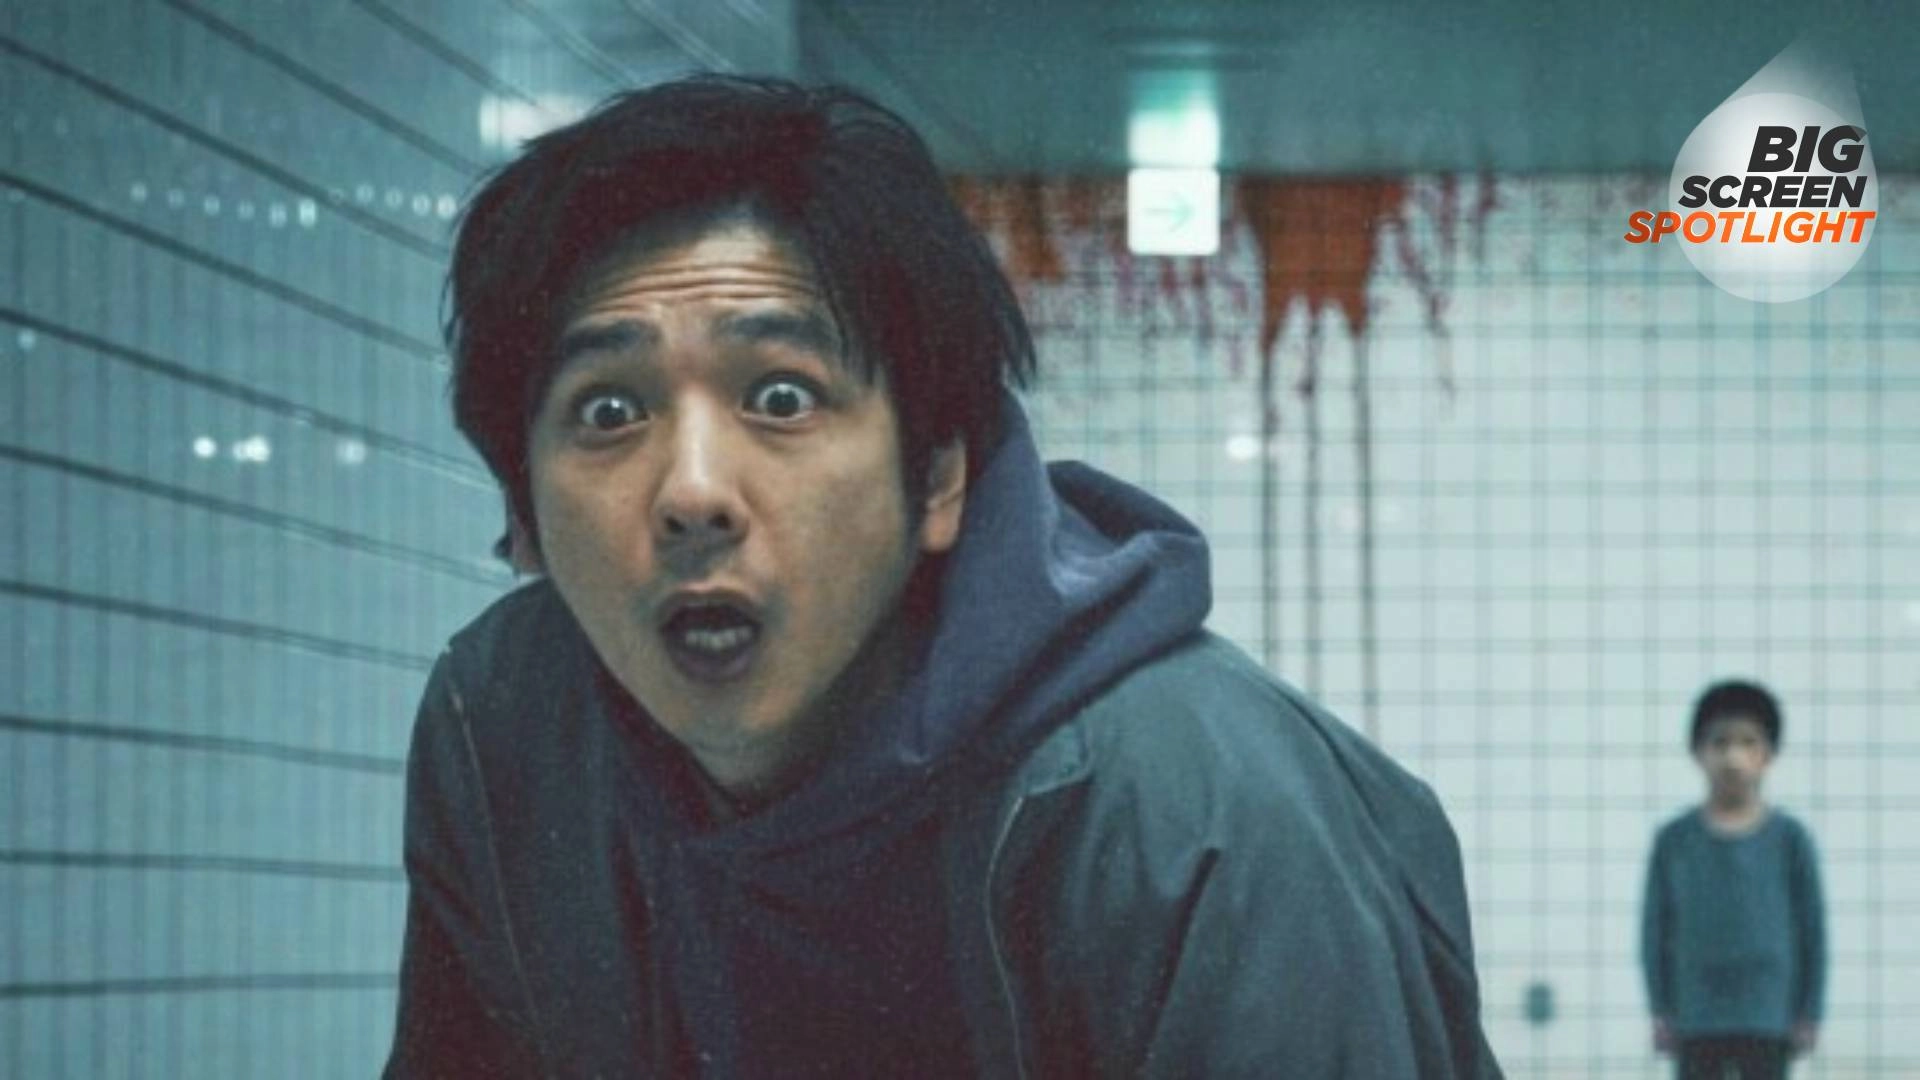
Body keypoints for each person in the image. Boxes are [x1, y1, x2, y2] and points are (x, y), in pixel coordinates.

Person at [385, 73, 1502, 1078]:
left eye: (780, 397)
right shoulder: (506, 736)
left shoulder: (1195, 811)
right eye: (608, 412)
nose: (694, 492)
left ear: (936, 479)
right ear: (522, 518)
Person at [1641, 680, 1827, 1080]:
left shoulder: (1789, 839)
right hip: (1696, 1017)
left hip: (1768, 1016)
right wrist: (1660, 1009)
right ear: (1698, 752)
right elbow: (1654, 930)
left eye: (1748, 742)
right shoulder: (1675, 841)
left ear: (1768, 754)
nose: (1733, 757)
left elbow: (1812, 931)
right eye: (1720, 742)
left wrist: (1810, 1011)